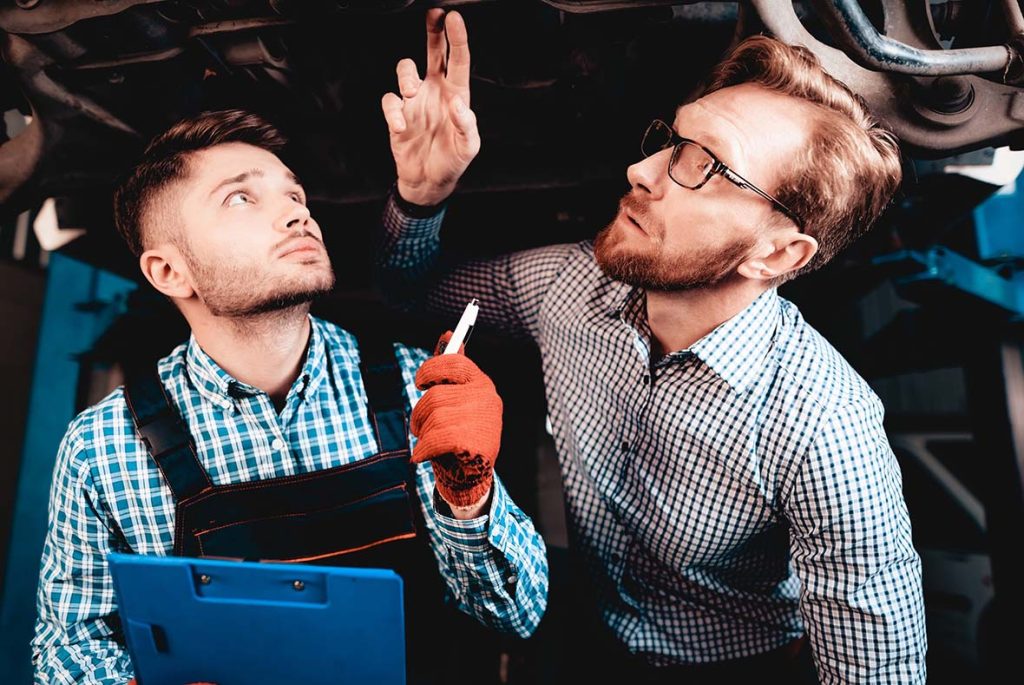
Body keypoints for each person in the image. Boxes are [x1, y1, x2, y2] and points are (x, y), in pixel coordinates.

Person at [377, 9, 927, 683]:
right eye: (673, 141)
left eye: (706, 165)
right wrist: (422, 195)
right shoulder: (568, 283)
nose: (642, 169)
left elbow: (877, 669)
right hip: (585, 635)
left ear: (778, 251)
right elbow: (410, 291)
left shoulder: (824, 423)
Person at [32, 109, 548, 685]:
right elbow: (67, 650)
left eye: (294, 194)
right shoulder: (102, 449)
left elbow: (515, 617)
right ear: (170, 271)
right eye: (239, 199)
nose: (296, 212)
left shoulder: (414, 388)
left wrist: (471, 501)